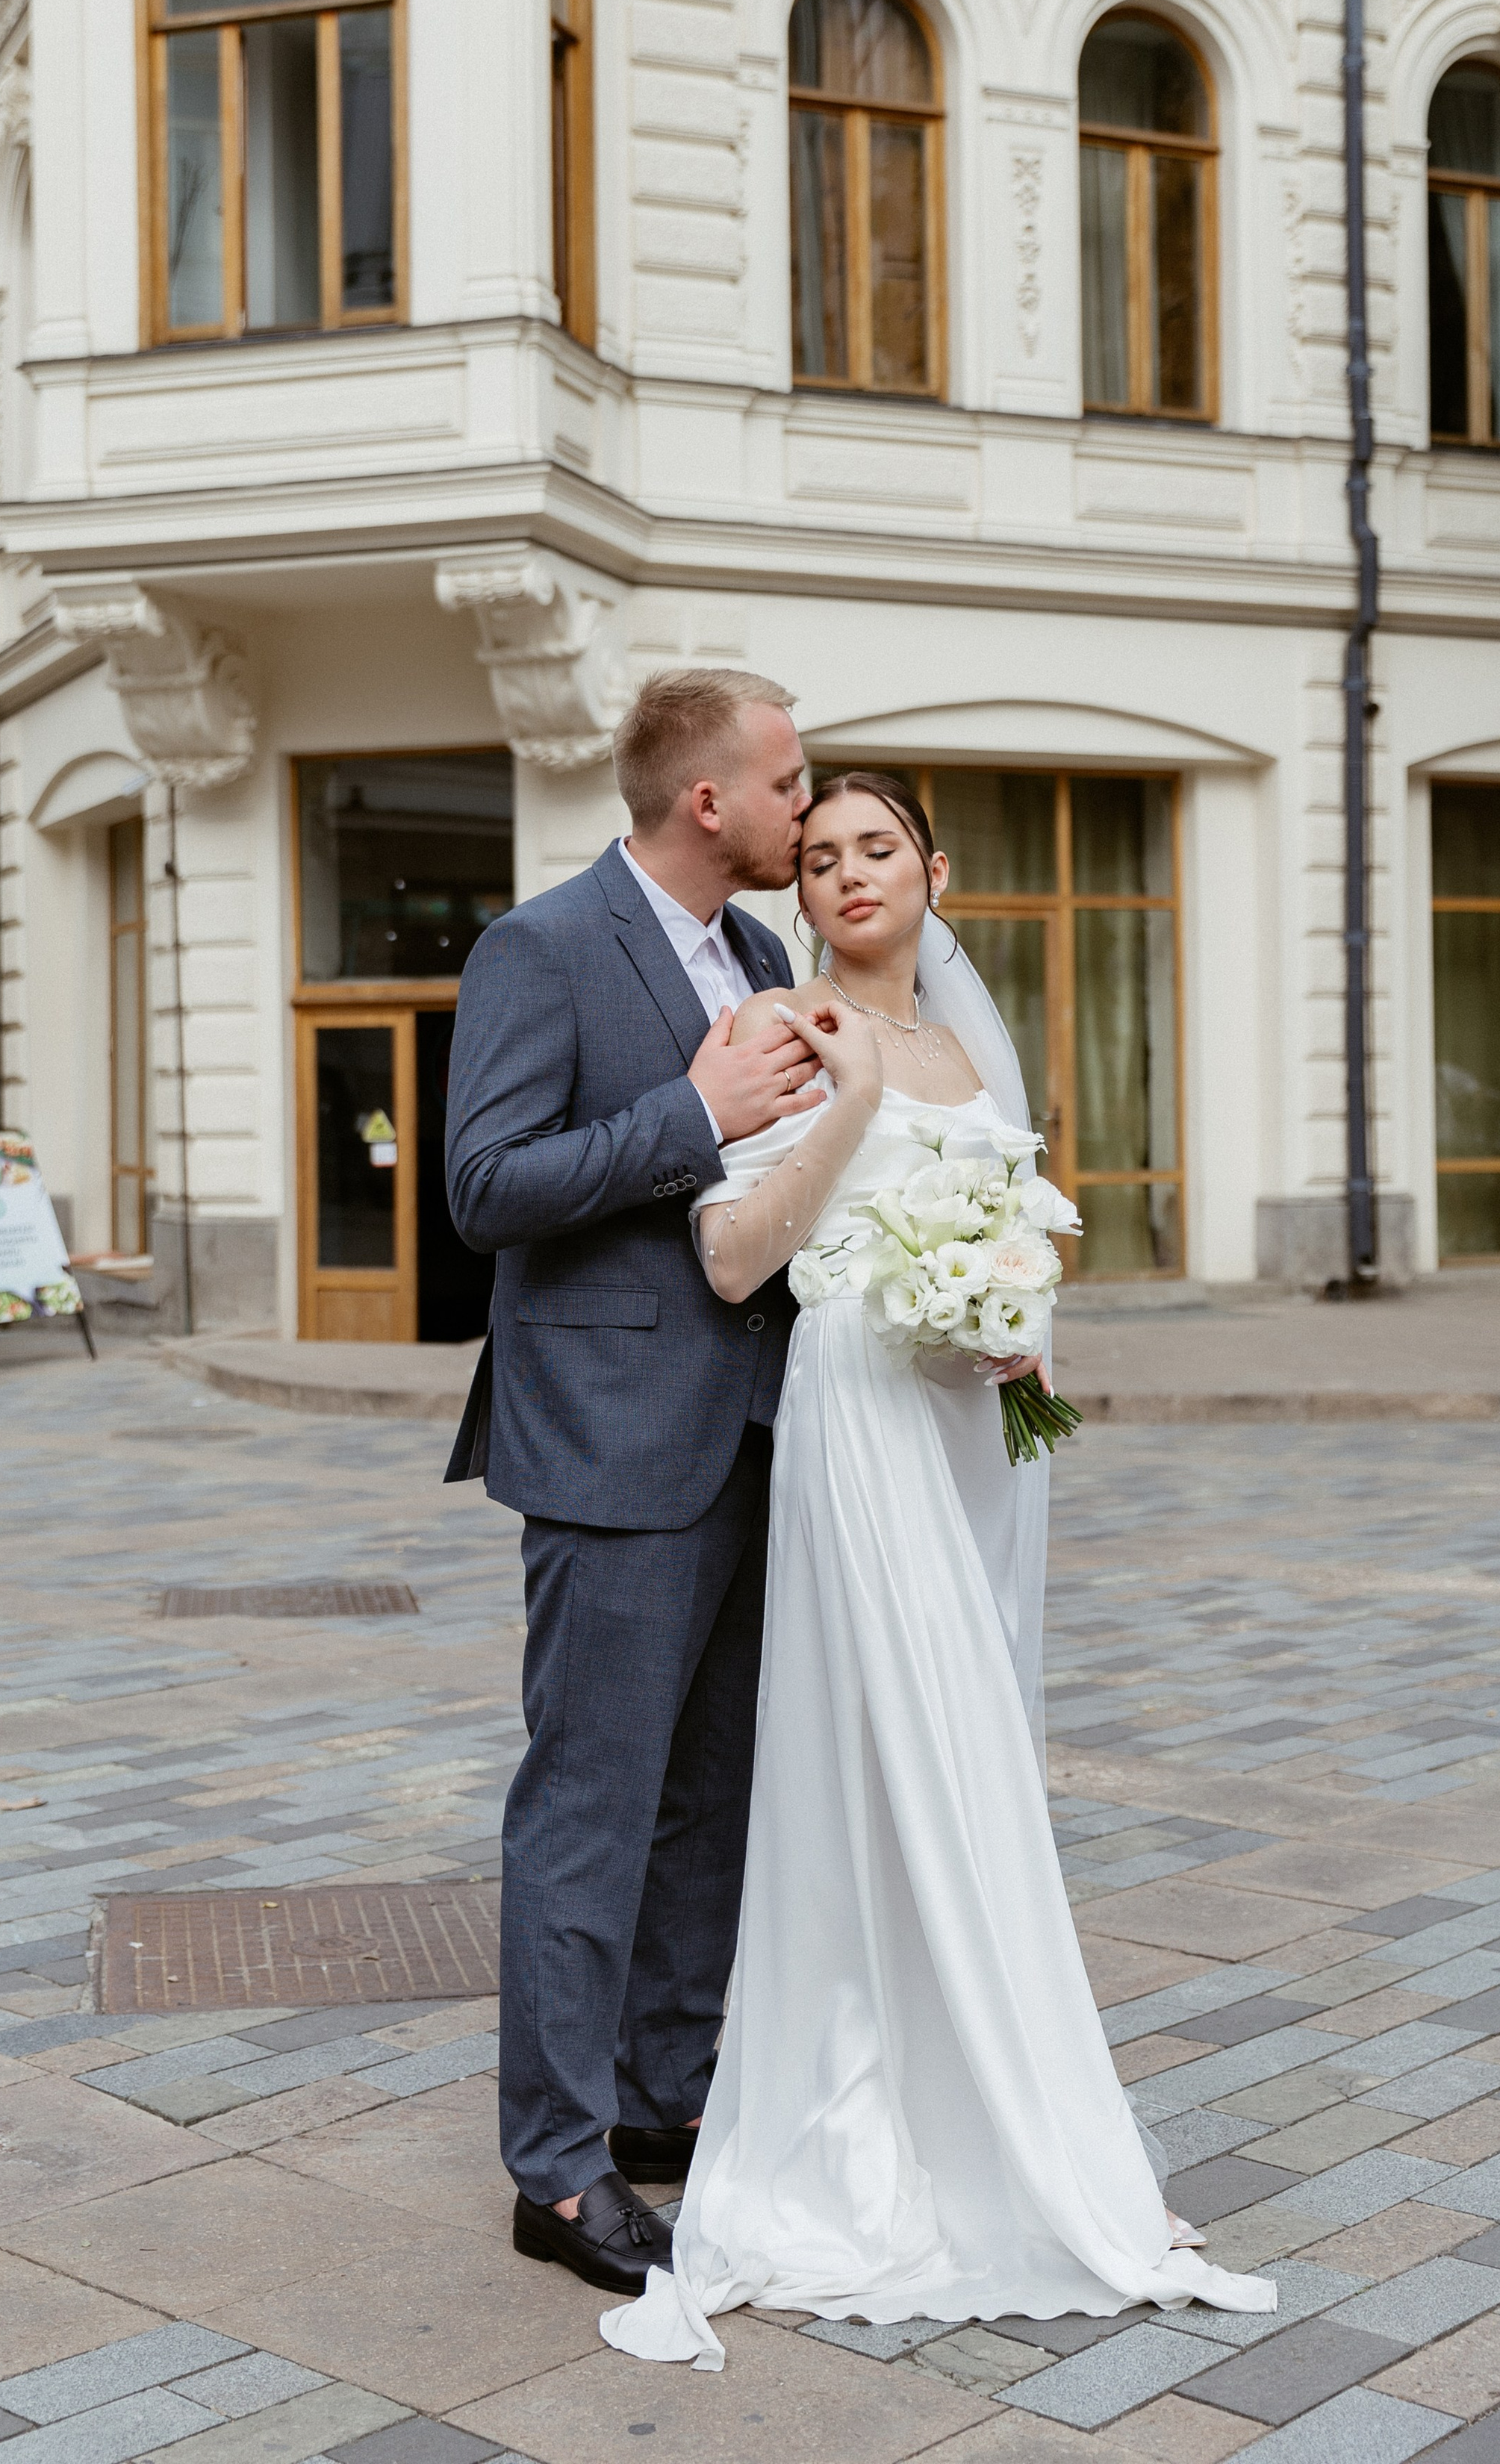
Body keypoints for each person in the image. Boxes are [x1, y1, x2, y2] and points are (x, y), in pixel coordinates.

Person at [600, 772, 1278, 2365]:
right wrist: (841, 1103)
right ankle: (904, 2142)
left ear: (932, 871)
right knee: (903, 1755)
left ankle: (1008, 2123)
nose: (848, 873)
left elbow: (1016, 1229)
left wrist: (1015, 1320)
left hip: (970, 1435)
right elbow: (730, 1258)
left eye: (878, 849)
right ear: (798, 891)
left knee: (977, 1758)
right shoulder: (778, 1030)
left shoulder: (969, 1049)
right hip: (856, 1421)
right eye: (820, 855)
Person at [444, 666, 825, 2297]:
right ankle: (554, 2167)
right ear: (707, 800)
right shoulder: (539, 947)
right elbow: (483, 1187)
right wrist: (690, 1111)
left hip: (757, 1435)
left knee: (709, 1799)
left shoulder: (761, 954)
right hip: (609, 1446)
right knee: (589, 1811)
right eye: (790, 783)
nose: (807, 807)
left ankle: (662, 2097)